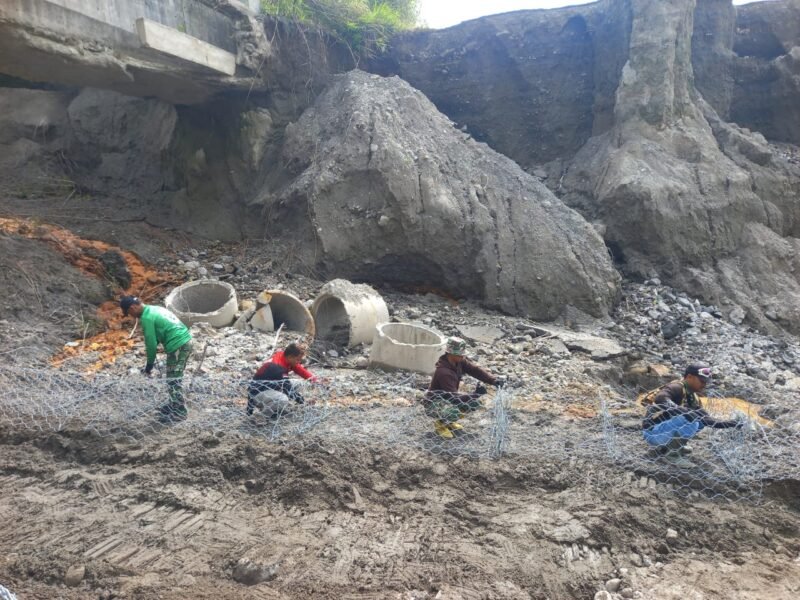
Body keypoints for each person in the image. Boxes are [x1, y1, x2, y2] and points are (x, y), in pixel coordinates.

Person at [641, 363, 742, 467]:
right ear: (689, 377)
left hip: (663, 431)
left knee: (700, 421)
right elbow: (661, 398)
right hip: (652, 433)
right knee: (691, 420)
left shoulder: (693, 397)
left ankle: (672, 446)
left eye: (706, 382)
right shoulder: (676, 387)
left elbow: (707, 420)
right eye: (702, 381)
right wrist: (683, 411)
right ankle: (672, 455)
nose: (704, 385)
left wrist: (733, 423)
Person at [120, 295, 193, 422]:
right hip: (185, 340)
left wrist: (149, 365)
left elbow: (151, 344)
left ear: (132, 308)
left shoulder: (147, 317)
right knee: (173, 376)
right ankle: (174, 404)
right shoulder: (155, 309)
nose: (131, 316)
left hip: (178, 345)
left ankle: (179, 412)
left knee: (173, 379)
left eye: (129, 313)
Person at [425, 336, 505, 439]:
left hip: (448, 399)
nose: (463, 356)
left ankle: (449, 422)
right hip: (434, 403)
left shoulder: (458, 362)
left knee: (474, 403)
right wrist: (476, 394)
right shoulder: (444, 372)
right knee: (454, 411)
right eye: (460, 354)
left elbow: (474, 370)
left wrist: (493, 380)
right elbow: (455, 398)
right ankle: (440, 424)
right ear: (452, 354)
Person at [247, 342, 318, 416]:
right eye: (297, 360)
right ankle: (260, 416)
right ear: (290, 357)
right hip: (258, 394)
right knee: (283, 399)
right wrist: (304, 402)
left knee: (301, 383)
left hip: (272, 387)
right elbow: (288, 390)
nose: (299, 362)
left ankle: (277, 409)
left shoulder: (282, 355)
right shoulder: (278, 367)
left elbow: (298, 368)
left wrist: (314, 379)